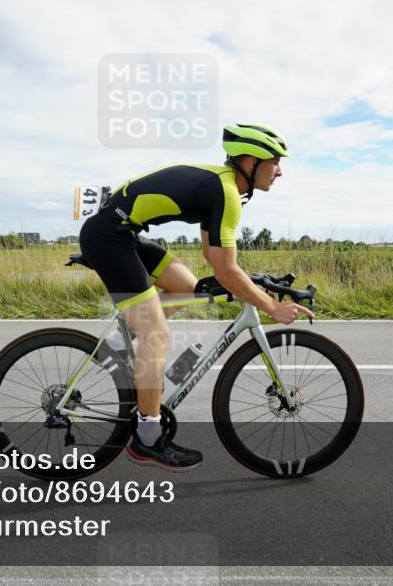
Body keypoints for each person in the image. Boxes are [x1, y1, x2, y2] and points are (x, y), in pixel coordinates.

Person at [78, 123, 315, 472]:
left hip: (121, 233)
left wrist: (251, 284)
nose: (279, 171)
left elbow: (214, 258)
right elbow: (226, 270)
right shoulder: (226, 192)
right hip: (109, 237)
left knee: (190, 289)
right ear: (252, 162)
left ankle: (116, 345)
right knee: (156, 333)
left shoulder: (222, 188)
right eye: (275, 162)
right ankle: (147, 438)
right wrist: (271, 307)